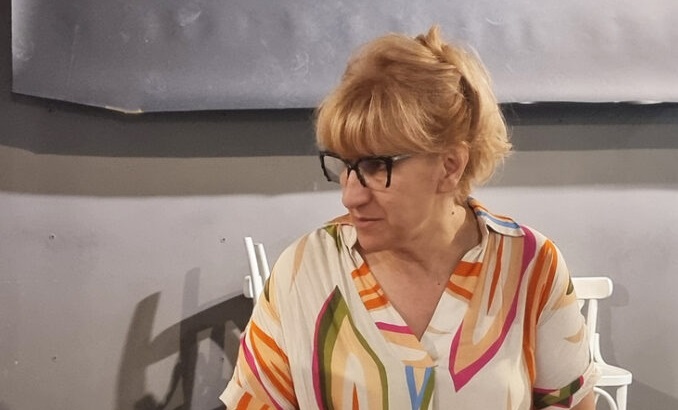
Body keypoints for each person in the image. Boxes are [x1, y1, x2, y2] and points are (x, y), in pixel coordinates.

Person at [220, 25, 598, 409]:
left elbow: (570, 402)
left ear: (450, 165)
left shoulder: (530, 266)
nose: (350, 195)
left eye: (376, 166)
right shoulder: (304, 272)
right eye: (344, 165)